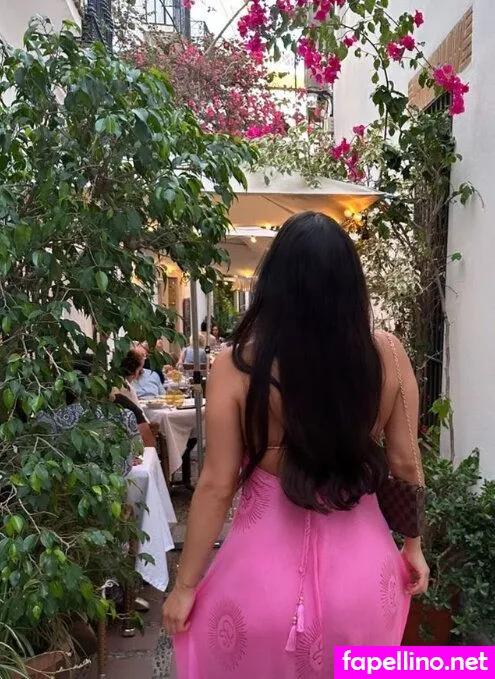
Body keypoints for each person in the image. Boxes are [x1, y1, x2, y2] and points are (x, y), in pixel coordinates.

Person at [163, 212, 429, 678]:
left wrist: (185, 586)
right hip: (365, 582)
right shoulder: (387, 353)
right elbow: (405, 462)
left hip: (258, 587)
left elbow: (216, 485)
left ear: (274, 284)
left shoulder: (236, 365)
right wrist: (413, 546)